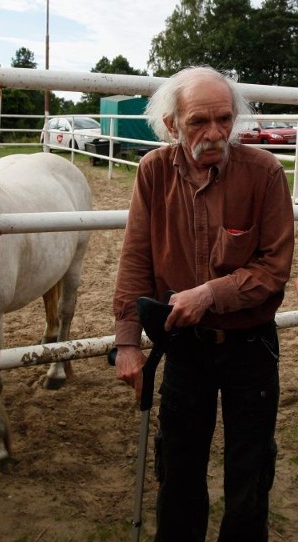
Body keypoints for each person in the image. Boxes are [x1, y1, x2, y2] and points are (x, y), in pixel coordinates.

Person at [112, 66, 295, 542]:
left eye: (224, 119)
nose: (214, 133)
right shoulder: (153, 172)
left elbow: (275, 270)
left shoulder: (265, 173)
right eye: (199, 122)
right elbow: (135, 259)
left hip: (251, 346)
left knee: (250, 472)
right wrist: (128, 342)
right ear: (172, 124)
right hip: (184, 347)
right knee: (178, 467)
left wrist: (211, 293)